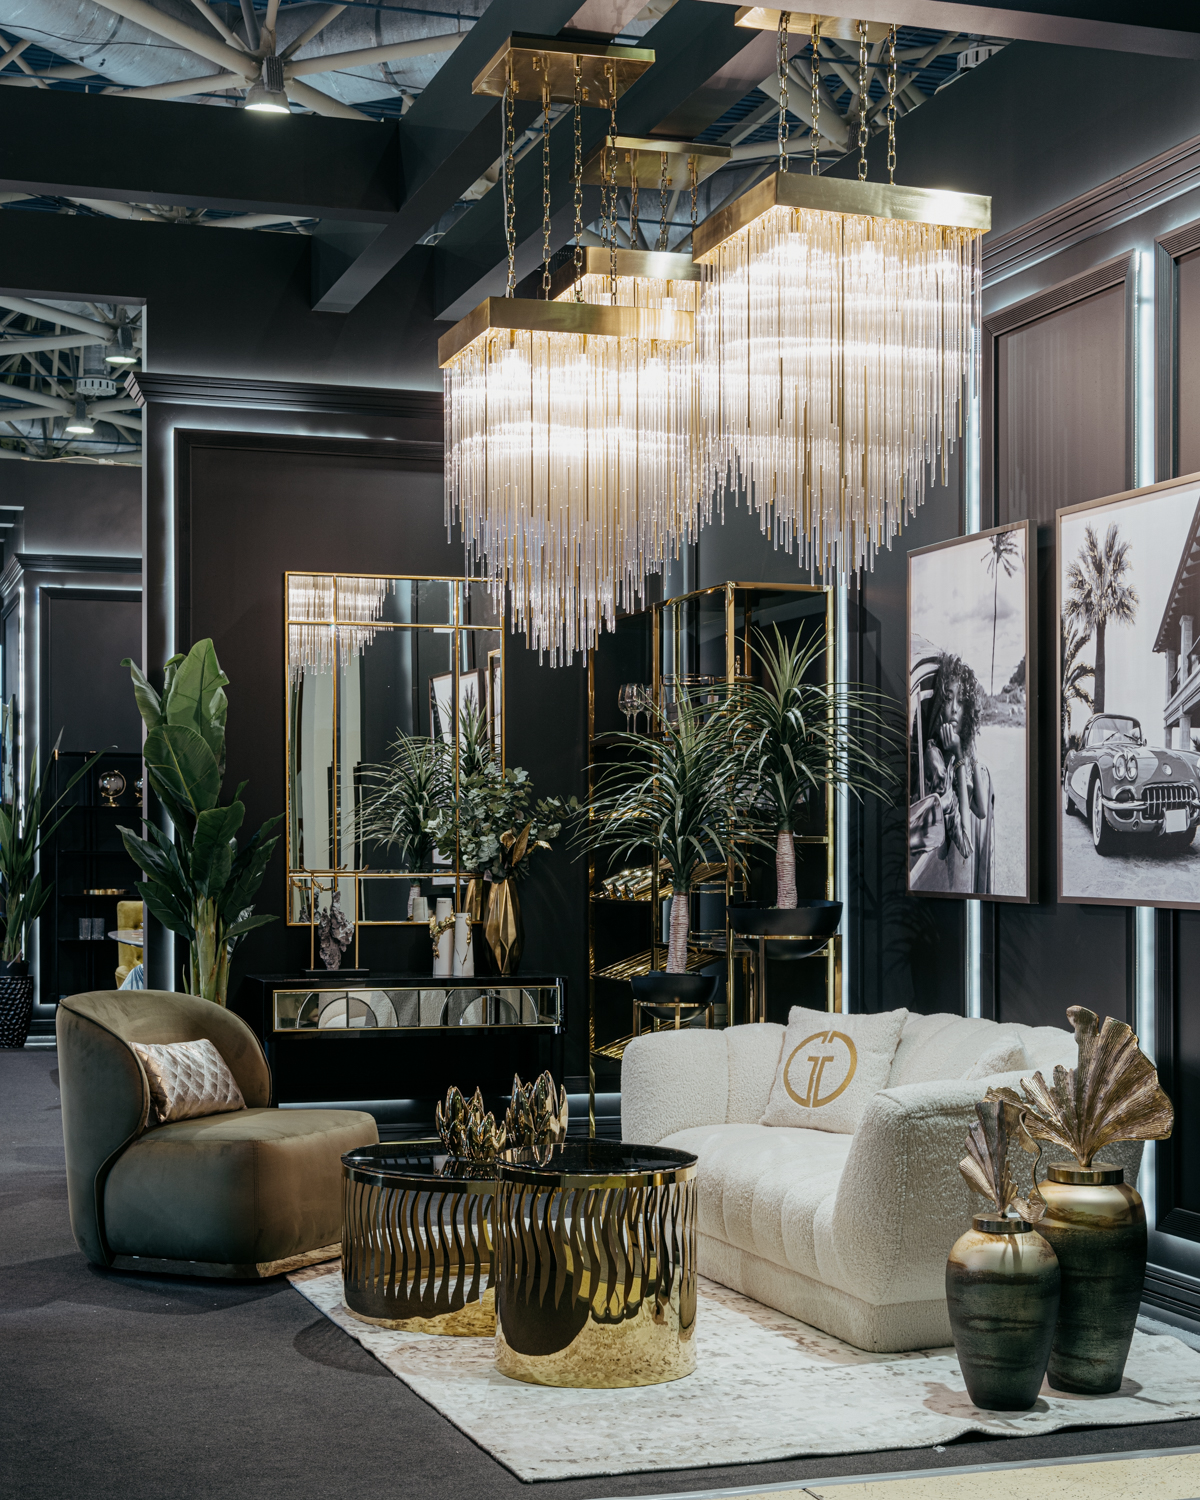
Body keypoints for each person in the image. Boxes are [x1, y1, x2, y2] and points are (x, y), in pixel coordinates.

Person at [922, 653, 993, 892]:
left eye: (961, 702)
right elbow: (965, 843)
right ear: (939, 705)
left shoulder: (952, 751)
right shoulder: (934, 757)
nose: (954, 709)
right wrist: (961, 755)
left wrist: (968, 746)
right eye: (948, 699)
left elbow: (981, 809)